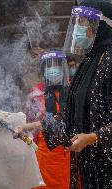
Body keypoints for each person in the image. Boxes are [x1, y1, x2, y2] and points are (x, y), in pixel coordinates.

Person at [14, 1, 112, 188]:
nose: (77, 29)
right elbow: (70, 116)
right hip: (86, 162)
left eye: (83, 23)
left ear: (99, 27)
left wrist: (91, 137)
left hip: (111, 168)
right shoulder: (87, 63)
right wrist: (31, 126)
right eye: (78, 22)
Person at [26, 51, 70, 189]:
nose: (52, 70)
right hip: (44, 151)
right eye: (48, 67)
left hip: (69, 149)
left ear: (63, 68)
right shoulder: (36, 93)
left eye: (56, 66)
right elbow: (30, 123)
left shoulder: (72, 89)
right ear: (43, 70)